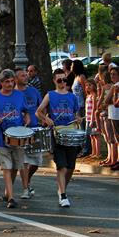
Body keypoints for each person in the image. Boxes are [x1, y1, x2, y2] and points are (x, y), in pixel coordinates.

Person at [0, 69, 30, 209]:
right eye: (6, 82)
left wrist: (27, 118)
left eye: (11, 81)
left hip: (18, 136)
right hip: (1, 137)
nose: (10, 84)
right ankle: (11, 197)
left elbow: (25, 111)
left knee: (16, 166)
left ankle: (7, 192)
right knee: (7, 167)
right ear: (1, 83)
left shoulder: (20, 95)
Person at [36, 68, 80, 208]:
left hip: (71, 133)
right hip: (57, 133)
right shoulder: (50, 95)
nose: (62, 82)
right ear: (54, 81)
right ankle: (63, 195)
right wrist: (46, 120)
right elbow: (38, 112)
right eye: (59, 80)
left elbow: (76, 114)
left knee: (70, 167)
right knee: (61, 166)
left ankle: (62, 189)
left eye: (64, 79)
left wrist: (78, 119)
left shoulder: (72, 96)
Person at [15, 67, 42, 199]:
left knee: (36, 161)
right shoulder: (13, 93)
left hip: (35, 128)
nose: (26, 77)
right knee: (23, 161)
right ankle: (25, 188)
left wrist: (45, 119)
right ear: (15, 79)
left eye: (26, 75)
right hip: (19, 131)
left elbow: (41, 107)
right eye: (22, 75)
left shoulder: (34, 91)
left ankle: (27, 180)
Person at [97, 69, 116, 167]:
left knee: (109, 137)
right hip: (109, 112)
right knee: (110, 137)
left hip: (107, 112)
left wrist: (99, 107)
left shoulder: (106, 87)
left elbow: (101, 99)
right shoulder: (113, 86)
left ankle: (112, 158)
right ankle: (110, 158)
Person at [101, 67, 119, 169]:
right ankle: (115, 160)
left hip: (115, 115)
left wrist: (111, 100)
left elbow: (107, 100)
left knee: (116, 138)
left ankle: (116, 160)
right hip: (113, 114)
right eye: (111, 74)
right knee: (115, 138)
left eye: (114, 74)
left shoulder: (115, 86)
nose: (112, 76)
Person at [85, 79, 100, 160]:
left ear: (94, 86)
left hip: (92, 118)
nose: (88, 87)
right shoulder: (88, 96)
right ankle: (93, 152)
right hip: (88, 118)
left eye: (90, 85)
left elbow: (94, 108)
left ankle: (98, 153)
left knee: (95, 136)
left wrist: (92, 119)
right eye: (87, 85)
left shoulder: (94, 95)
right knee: (91, 136)